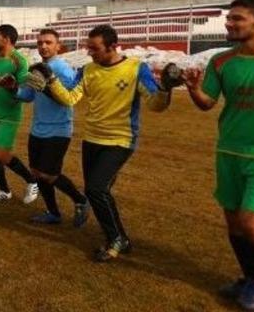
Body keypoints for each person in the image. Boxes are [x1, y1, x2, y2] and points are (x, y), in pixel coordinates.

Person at [34, 24, 174, 262]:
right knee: (100, 191)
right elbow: (70, 98)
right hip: (92, 139)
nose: (90, 52)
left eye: (95, 48)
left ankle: (116, 238)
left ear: (112, 46)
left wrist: (166, 88)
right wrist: (51, 81)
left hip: (120, 140)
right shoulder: (88, 70)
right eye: (88, 48)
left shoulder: (135, 69)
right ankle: (119, 237)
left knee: (95, 189)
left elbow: (155, 104)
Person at [183, 0, 254, 308]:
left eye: (237, 19)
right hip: (229, 152)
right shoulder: (221, 61)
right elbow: (208, 103)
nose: (229, 24)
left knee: (252, 225)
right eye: (229, 19)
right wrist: (194, 90)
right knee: (234, 226)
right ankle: (249, 276)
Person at [6, 29, 89, 226]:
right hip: (38, 129)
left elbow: (69, 100)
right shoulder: (38, 68)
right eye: (40, 42)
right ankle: (53, 213)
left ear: (58, 46)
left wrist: (49, 86)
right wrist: (13, 89)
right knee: (36, 172)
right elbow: (29, 96)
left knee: (48, 174)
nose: (43, 46)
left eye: (48, 42)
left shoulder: (62, 69)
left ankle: (80, 200)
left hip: (59, 130)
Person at [0, 24, 40, 205]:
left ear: (6, 39)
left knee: (1, 154)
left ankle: (32, 181)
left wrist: (12, 86)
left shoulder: (19, 61)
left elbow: (25, 91)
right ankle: (4, 191)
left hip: (9, 115)